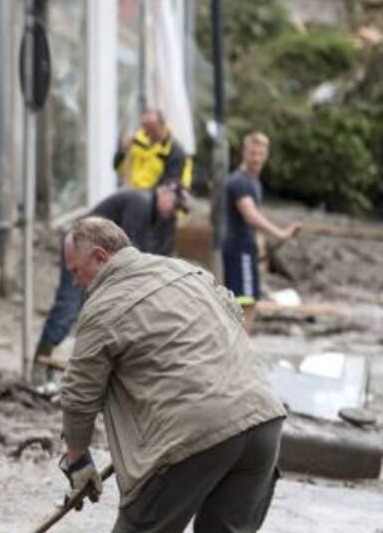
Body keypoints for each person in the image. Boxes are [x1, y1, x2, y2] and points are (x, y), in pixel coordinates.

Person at [25, 218, 286, 533]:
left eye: (76, 271)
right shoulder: (186, 271)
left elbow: (79, 392)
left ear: (100, 258)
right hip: (262, 419)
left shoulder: (103, 306)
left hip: (190, 431)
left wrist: (77, 460)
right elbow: (231, 311)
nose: (75, 282)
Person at [35, 181, 190, 363]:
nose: (174, 211)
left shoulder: (167, 221)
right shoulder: (140, 203)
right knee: (69, 307)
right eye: (174, 204)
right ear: (164, 193)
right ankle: (41, 361)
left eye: (178, 209)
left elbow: (162, 257)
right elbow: (130, 250)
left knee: (99, 313)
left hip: (103, 261)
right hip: (79, 249)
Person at [219, 131, 300, 334]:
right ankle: (237, 349)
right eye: (252, 153)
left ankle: (240, 347)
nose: (256, 158)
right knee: (244, 304)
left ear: (266, 154)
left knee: (250, 302)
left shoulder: (254, 182)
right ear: (244, 152)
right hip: (238, 249)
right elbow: (250, 215)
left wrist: (261, 247)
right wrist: (280, 234)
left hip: (247, 248)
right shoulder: (239, 181)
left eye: (260, 153)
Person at [114, 108, 193, 191]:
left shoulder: (174, 151)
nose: (148, 133)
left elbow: (170, 183)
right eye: (145, 127)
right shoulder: (136, 142)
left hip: (155, 195)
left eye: (152, 129)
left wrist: (146, 194)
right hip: (132, 192)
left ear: (162, 125)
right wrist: (122, 152)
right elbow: (118, 167)